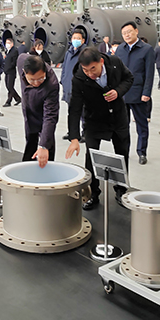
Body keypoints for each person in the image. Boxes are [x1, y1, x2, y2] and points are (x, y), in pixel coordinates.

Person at [65, 47, 134, 210]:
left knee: (122, 153)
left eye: (93, 69)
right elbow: (75, 108)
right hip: (94, 119)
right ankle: (92, 193)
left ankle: (121, 190)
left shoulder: (115, 63)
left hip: (118, 117)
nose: (90, 73)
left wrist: (118, 91)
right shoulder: (79, 78)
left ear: (101, 62)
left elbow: (129, 78)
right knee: (91, 156)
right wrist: (74, 137)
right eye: (86, 70)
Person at [115, 21, 155, 165]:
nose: (127, 35)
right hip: (122, 94)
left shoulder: (147, 49)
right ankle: (123, 150)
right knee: (122, 126)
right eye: (124, 33)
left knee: (141, 126)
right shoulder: (120, 49)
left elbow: (149, 73)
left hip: (139, 94)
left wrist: (146, 93)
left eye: (129, 32)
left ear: (136, 31)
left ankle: (142, 152)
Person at [16, 54, 60, 167]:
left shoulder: (52, 84)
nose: (36, 83)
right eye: (32, 80)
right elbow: (22, 56)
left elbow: (50, 116)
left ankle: (47, 168)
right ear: (24, 72)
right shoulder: (21, 61)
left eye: (40, 78)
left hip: (43, 112)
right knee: (30, 140)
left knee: (47, 142)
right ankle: (26, 168)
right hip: (28, 109)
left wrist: (44, 146)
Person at [60, 28, 87, 140]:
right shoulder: (68, 52)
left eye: (78, 38)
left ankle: (85, 133)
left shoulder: (85, 53)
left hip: (80, 88)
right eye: (74, 38)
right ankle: (72, 132)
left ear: (83, 40)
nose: (76, 40)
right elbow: (64, 68)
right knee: (71, 111)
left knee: (83, 112)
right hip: (68, 86)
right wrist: (63, 80)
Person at [2, 37, 21, 107]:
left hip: (11, 72)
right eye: (6, 43)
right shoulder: (7, 51)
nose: (7, 44)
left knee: (10, 86)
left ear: (12, 44)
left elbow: (14, 62)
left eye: (8, 43)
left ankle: (9, 101)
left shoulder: (14, 51)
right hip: (6, 71)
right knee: (8, 86)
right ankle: (18, 99)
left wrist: (9, 67)